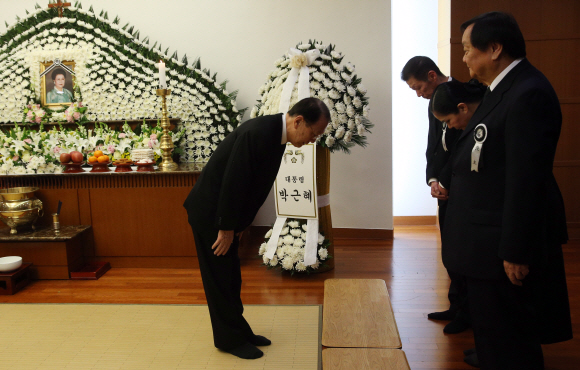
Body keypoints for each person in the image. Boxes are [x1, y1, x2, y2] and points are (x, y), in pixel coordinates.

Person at [441, 11, 572, 369]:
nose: (464, 58)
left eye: (469, 49)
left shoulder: (528, 93)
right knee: (495, 335)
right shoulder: (502, 91)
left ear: (495, 48)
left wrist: (516, 250)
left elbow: (525, 179)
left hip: (501, 247)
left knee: (510, 342)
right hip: (484, 244)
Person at [183, 97, 330, 360]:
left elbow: (253, 187)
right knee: (219, 278)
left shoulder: (276, 134)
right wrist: (227, 227)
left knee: (231, 276)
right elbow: (233, 182)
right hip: (211, 215)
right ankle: (228, 339)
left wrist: (241, 224)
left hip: (225, 217)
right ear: (298, 121)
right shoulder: (260, 133)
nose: (312, 140)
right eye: (313, 133)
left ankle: (239, 330)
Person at [401, 56, 469, 334]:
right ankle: (456, 306)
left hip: (462, 187)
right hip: (443, 187)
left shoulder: (464, 94)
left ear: (432, 75)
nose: (419, 94)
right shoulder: (432, 102)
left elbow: (461, 147)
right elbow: (433, 144)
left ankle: (468, 313)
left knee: (465, 252)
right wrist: (432, 179)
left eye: (419, 87)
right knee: (451, 250)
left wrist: (449, 181)